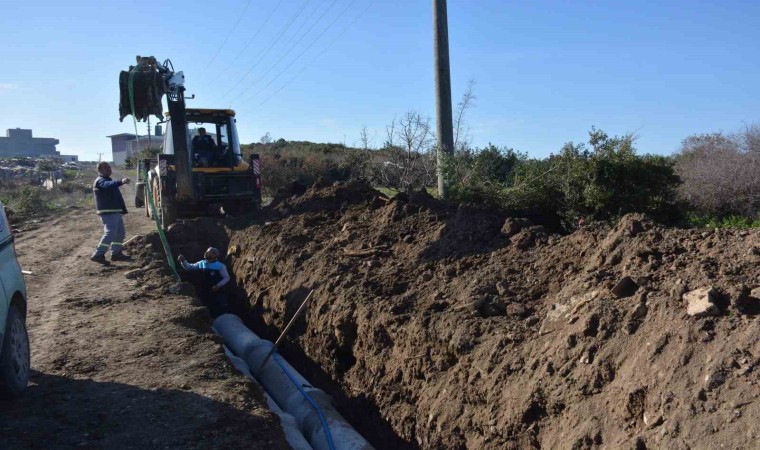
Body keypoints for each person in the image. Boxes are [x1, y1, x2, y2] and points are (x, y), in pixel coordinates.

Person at [91, 162, 130, 263]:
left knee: (120, 233)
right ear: (100, 170)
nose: (108, 169)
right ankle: (98, 254)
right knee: (110, 233)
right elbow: (108, 185)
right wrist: (121, 181)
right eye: (105, 168)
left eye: (109, 167)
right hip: (108, 212)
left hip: (114, 211)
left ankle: (116, 253)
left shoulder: (108, 180)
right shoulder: (100, 181)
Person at [178, 247, 229, 317]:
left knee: (219, 309)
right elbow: (189, 267)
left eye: (208, 252)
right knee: (207, 308)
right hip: (204, 291)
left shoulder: (220, 266)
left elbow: (227, 278)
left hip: (218, 292)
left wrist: (218, 285)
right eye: (206, 251)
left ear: (214, 255)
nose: (206, 253)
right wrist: (183, 261)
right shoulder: (202, 263)